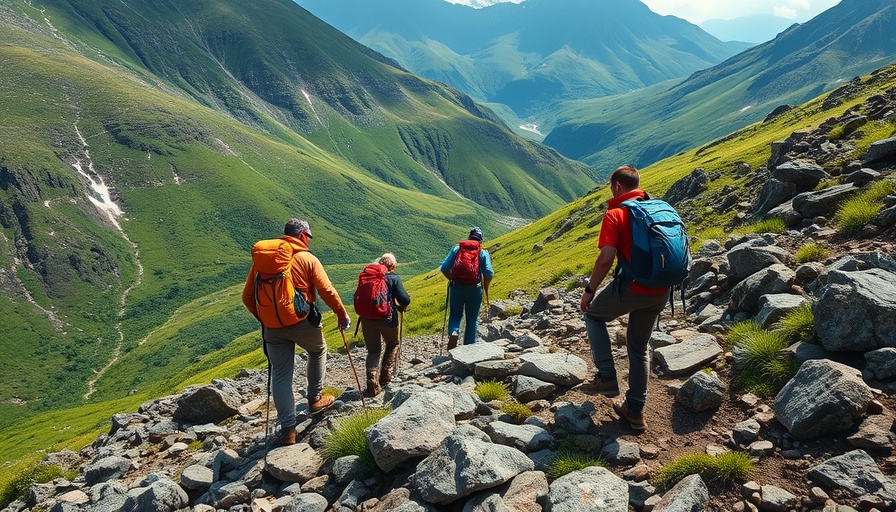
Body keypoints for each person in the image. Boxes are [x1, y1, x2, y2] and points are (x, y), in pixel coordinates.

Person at [242, 218, 351, 445]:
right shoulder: (306, 258)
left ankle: (288, 431)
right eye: (308, 236)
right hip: (301, 321)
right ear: (302, 235)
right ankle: (314, 399)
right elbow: (327, 290)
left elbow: (247, 297)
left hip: (272, 328)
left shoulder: (263, 262)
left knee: (281, 374)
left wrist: (264, 317)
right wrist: (341, 313)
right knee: (318, 351)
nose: (309, 241)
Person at [578, 166, 669, 432]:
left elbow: (606, 257)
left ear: (617, 187)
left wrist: (590, 291)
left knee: (593, 315)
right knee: (639, 348)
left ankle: (606, 377)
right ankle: (635, 411)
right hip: (661, 290)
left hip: (633, 288)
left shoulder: (616, 213)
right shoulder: (658, 209)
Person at [360, 253, 411, 397]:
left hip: (366, 319)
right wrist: (400, 307)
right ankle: (386, 375)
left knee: (373, 351)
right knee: (393, 343)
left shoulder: (367, 277)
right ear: (393, 266)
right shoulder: (393, 278)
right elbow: (404, 299)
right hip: (386, 319)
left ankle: (372, 381)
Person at [440, 227, 494, 349]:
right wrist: (485, 287)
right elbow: (489, 273)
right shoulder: (482, 252)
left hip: (456, 288)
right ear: (480, 240)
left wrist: (452, 278)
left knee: (455, 314)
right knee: (472, 319)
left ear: (469, 237)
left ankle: (454, 331)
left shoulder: (457, 249)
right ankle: (469, 350)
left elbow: (444, 268)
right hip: (474, 289)